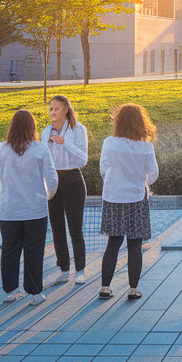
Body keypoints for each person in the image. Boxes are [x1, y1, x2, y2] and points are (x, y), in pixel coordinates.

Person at [0, 108, 58, 305]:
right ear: (32, 127)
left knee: (9, 250)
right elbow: (52, 179)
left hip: (8, 211)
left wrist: (1, 198)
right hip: (35, 210)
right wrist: (46, 197)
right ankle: (35, 293)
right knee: (34, 251)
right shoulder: (40, 149)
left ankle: (11, 290)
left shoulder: (2, 149)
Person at [99, 103, 159, 300]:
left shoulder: (109, 142)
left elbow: (103, 170)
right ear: (141, 123)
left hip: (113, 197)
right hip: (136, 198)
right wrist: (141, 180)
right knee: (135, 244)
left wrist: (115, 181)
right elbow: (154, 174)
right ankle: (133, 288)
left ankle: (105, 288)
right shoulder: (145, 147)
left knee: (113, 243)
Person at [42, 94, 89, 286]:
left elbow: (83, 160)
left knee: (75, 228)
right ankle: (64, 268)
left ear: (65, 110)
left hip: (73, 179)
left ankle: (80, 269)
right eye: (50, 109)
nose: (52, 112)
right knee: (57, 228)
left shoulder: (78, 130)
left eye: (56, 108)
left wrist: (65, 143)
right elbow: (44, 159)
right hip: (53, 180)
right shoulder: (46, 131)